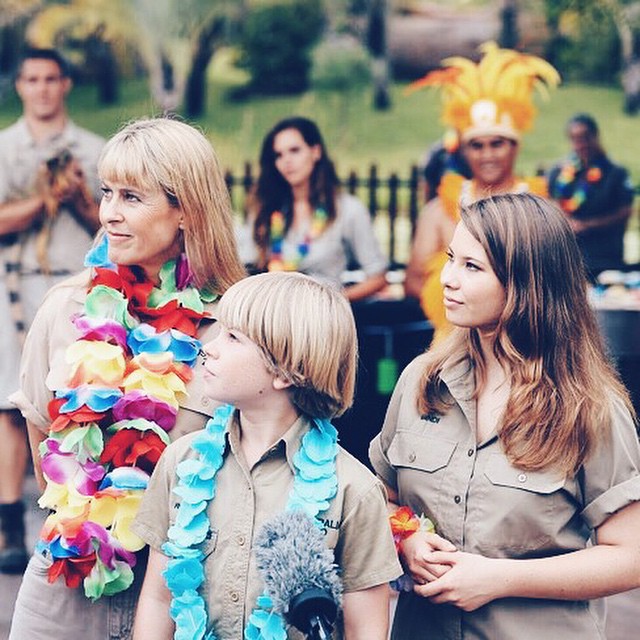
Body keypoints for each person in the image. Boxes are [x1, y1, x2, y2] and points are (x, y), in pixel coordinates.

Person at [8, 117, 246, 639]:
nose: (109, 214)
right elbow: (41, 435)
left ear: (186, 209)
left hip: (185, 591)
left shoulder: (236, 326)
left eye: (132, 198)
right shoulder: (65, 309)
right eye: (106, 193)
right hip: (67, 588)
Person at [370, 192, 640, 639]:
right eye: (451, 258)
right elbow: (377, 496)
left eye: (471, 267)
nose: (447, 280)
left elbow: (630, 556)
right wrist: (406, 537)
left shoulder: (589, 406)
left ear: (526, 283)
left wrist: (499, 579)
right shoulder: (423, 380)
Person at [131, 271, 402, 639]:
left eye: (232, 337)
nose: (209, 346)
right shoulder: (183, 463)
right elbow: (160, 599)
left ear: (286, 371)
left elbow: (366, 628)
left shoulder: (353, 489)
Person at [0, 47, 105, 573]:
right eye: (31, 79)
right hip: (11, 286)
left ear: (65, 84)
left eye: (51, 78)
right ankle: (12, 522)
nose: (41, 88)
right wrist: (43, 201)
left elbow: (111, 227)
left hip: (69, 285)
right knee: (13, 407)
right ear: (19, 86)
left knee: (74, 401)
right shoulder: (3, 149)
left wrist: (80, 198)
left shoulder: (93, 148)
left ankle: (74, 513)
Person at [404, 42, 559, 340]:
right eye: (477, 145)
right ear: (464, 150)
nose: (487, 154)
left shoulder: (540, 208)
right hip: (451, 345)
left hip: (524, 345)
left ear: (515, 146)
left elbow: (555, 281)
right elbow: (413, 281)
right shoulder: (440, 210)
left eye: (497, 143)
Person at [237, 116, 388, 302]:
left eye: (294, 150)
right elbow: (245, 264)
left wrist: (334, 301)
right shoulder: (266, 208)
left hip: (325, 317)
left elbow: (378, 277)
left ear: (315, 152)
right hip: (272, 313)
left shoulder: (348, 210)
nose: (287, 161)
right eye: (278, 155)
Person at [548, 113, 635, 281]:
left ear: (595, 136)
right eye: (575, 139)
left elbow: (626, 211)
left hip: (604, 258)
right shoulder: (559, 172)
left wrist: (588, 225)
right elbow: (550, 200)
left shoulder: (615, 172)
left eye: (585, 137)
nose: (581, 144)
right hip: (568, 258)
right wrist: (564, 221)